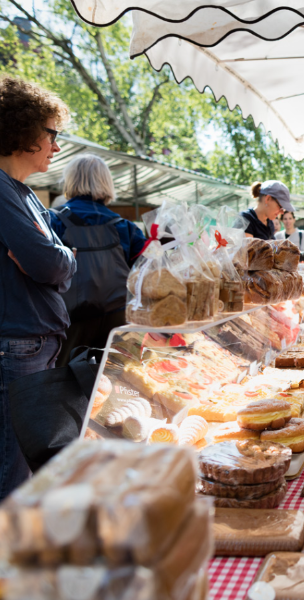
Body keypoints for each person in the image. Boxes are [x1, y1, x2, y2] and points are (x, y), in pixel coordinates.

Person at [0, 77, 77, 499]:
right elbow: (48, 262)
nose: (57, 146)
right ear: (22, 129)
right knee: (12, 472)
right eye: (52, 134)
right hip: (17, 347)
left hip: (34, 344)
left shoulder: (24, 193)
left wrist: (61, 259)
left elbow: (59, 265)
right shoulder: (3, 191)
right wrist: (59, 259)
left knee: (25, 469)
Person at [50, 154, 146, 366]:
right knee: (115, 375)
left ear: (70, 181)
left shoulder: (53, 221)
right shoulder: (125, 227)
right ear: (106, 183)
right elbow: (147, 271)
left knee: (64, 378)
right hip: (118, 319)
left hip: (70, 320)